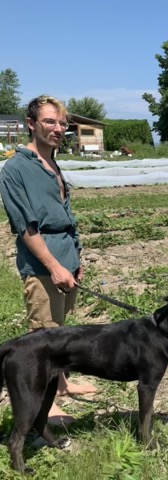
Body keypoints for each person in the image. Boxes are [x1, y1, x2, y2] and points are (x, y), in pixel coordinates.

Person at [0, 95, 97, 425]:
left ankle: (62, 386)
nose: (58, 128)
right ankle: (45, 405)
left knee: (60, 331)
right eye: (49, 122)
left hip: (66, 262)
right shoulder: (16, 169)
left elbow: (65, 216)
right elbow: (26, 226)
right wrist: (54, 266)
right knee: (43, 335)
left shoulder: (52, 164)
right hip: (43, 267)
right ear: (31, 124)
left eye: (62, 123)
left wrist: (75, 259)